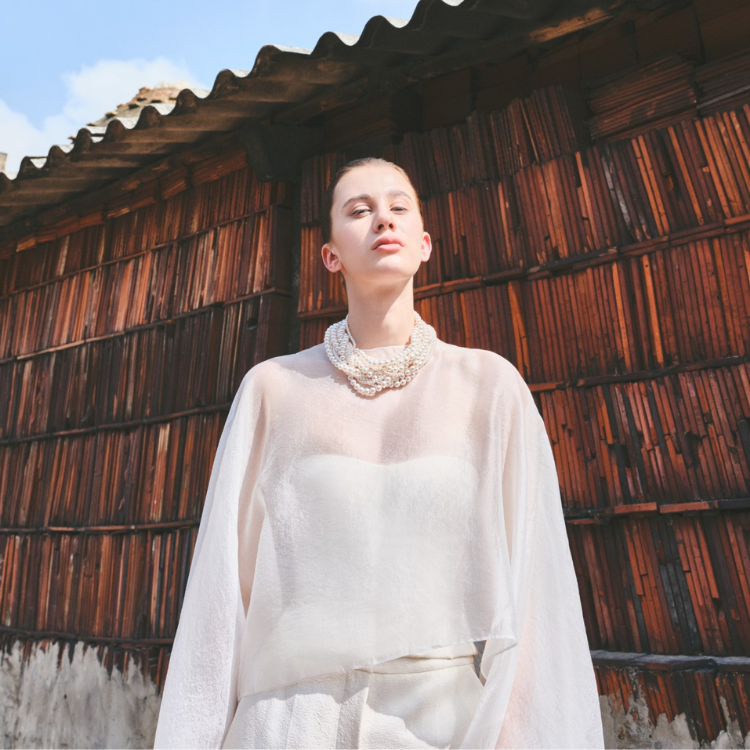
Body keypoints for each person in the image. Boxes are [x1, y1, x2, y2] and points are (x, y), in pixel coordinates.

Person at [152, 157, 605, 749]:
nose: (382, 221)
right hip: (287, 724)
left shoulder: (489, 388)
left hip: (441, 725)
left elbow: (537, 593)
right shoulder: (273, 390)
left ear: (424, 243)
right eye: (359, 210)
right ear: (330, 255)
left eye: (398, 207)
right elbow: (220, 591)